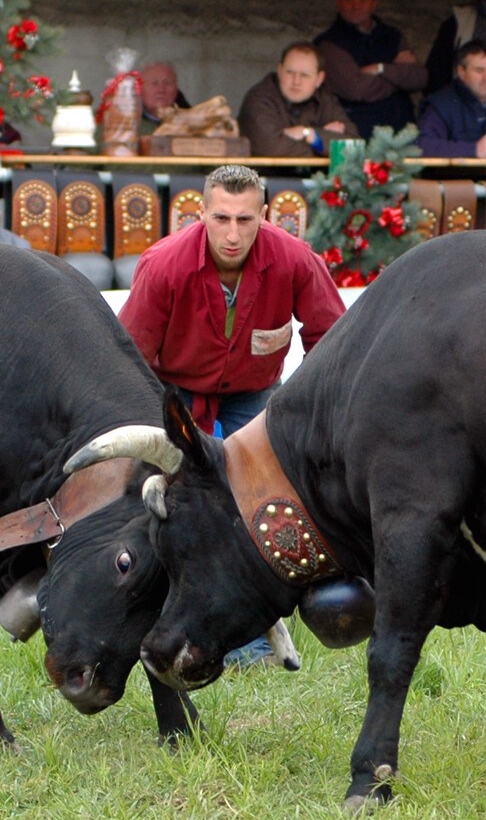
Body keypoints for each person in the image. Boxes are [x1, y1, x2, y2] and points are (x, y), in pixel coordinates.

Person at [120, 163, 344, 666]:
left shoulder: (295, 260)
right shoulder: (164, 266)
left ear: (265, 216)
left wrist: (307, 415)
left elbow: (334, 342)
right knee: (178, 509)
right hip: (175, 394)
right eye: (221, 218)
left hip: (255, 392)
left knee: (264, 506)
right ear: (200, 213)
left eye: (245, 220)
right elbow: (128, 359)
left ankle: (257, 638)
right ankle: (154, 612)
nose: (233, 234)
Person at [314, 0, 428, 139]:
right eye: (348, 0)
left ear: (374, 3)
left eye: (363, 0)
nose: (356, 6)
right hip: (357, 138)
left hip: (401, 136)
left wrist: (380, 68)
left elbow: (419, 78)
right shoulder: (328, 43)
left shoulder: (392, 35)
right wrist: (399, 76)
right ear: (338, 2)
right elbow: (357, 89)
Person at [238, 42, 351, 157]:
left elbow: (353, 148)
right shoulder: (259, 99)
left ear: (319, 79)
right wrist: (324, 145)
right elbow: (272, 148)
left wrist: (310, 134)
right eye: (290, 72)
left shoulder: (326, 100)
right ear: (279, 71)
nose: (296, 81)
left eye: (304, 75)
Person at [138, 61, 193, 137]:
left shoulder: (192, 123)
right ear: (139, 89)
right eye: (154, 83)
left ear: (176, 88)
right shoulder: (129, 124)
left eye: (167, 83)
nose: (161, 90)